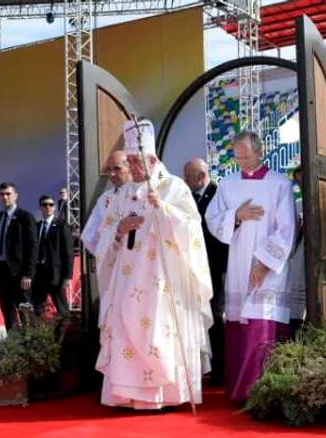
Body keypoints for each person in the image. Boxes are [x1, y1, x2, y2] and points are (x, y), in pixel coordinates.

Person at [93, 119, 213, 410]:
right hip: (126, 276)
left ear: (152, 159)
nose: (132, 168)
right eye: (130, 161)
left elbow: (193, 229)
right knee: (123, 328)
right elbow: (104, 235)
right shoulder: (120, 194)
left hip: (162, 278)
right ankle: (127, 394)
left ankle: (166, 395)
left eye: (136, 162)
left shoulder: (174, 187)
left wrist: (163, 209)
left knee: (159, 331)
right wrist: (120, 228)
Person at [205, 130, 296, 404]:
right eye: (237, 157)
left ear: (260, 150)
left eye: (246, 156)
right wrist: (236, 216)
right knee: (239, 325)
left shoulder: (279, 184)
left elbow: (288, 228)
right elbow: (212, 218)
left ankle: (261, 393)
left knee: (261, 325)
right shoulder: (228, 184)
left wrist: (265, 263)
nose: (242, 162)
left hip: (268, 267)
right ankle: (238, 391)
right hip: (238, 261)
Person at [183, 158, 228, 385]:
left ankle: (220, 369)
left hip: (215, 269)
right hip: (193, 270)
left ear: (201, 176)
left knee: (215, 317)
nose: (184, 181)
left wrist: (224, 270)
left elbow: (222, 238)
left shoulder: (219, 196)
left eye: (188, 177)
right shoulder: (187, 198)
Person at [0, 182, 38, 331]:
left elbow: (32, 247)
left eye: (8, 194)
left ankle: (30, 345)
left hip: (19, 273)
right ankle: (13, 346)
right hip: (2, 271)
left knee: (25, 313)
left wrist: (28, 274)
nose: (5, 197)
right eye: (2, 194)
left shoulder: (25, 217)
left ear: (16, 196)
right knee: (7, 312)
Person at [82, 150, 132, 255]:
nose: (112, 174)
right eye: (108, 170)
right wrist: (105, 258)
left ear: (130, 168)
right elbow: (88, 236)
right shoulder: (105, 198)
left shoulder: (142, 194)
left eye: (117, 169)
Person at [33, 195, 73, 317]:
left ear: (55, 207)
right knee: (38, 310)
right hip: (38, 275)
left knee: (62, 310)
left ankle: (66, 335)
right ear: (40, 207)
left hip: (56, 275)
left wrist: (67, 276)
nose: (48, 207)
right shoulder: (36, 226)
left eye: (51, 204)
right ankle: (41, 335)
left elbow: (68, 251)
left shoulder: (61, 225)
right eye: (45, 205)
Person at [288, 166, 306, 338]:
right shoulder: (298, 203)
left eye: (303, 180)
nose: (301, 185)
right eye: (298, 181)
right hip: (300, 250)